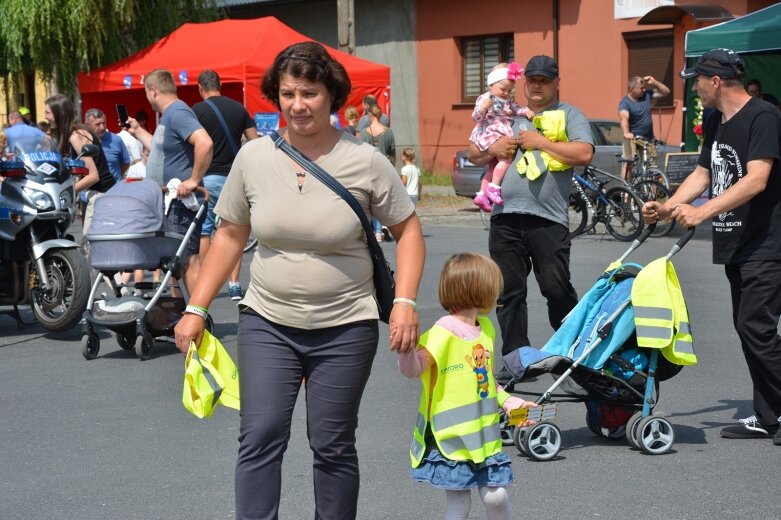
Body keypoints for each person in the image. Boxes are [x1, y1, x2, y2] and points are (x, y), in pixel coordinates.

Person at [173, 41, 426, 519]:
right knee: (260, 434)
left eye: (309, 93)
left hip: (346, 325)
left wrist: (405, 301)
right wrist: (195, 308)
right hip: (268, 320)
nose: (297, 104)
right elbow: (229, 234)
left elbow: (408, 229)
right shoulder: (253, 158)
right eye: (288, 93)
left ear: (332, 96)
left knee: (332, 442)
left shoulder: (366, 161)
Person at [643, 48, 781, 445]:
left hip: (768, 244)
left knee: (757, 327)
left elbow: (757, 180)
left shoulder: (764, 116)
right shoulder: (718, 119)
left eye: (696, 81)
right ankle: (770, 417)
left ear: (715, 81)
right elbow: (704, 173)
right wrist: (668, 207)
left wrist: (703, 214)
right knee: (750, 328)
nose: (694, 89)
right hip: (738, 241)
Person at [467, 55, 594, 383]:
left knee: (555, 288)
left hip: (548, 220)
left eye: (544, 80)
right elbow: (474, 153)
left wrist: (541, 142)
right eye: (532, 79)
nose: (537, 85)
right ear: (525, 82)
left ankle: (575, 356)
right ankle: (516, 360)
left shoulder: (569, 114)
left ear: (555, 82)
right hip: (505, 217)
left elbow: (583, 153)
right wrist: (494, 147)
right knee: (508, 293)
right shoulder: (506, 112)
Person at [398, 252, 536, 520]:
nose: (498, 293)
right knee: (459, 505)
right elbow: (413, 370)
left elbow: (485, 380)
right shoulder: (442, 332)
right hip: (453, 441)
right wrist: (405, 350)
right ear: (479, 291)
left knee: (496, 497)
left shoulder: (485, 328)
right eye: (495, 287)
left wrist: (510, 402)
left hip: (484, 440)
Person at [126, 69, 213, 295]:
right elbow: (160, 147)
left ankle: (197, 318)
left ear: (153, 90)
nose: (146, 97)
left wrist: (193, 180)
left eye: (146, 91)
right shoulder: (170, 115)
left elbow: (204, 143)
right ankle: (181, 315)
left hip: (180, 200)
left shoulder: (177, 112)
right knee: (175, 261)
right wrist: (137, 131)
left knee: (188, 260)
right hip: (170, 200)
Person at [192, 69, 259, 301]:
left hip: (207, 179)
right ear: (220, 85)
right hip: (234, 178)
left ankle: (203, 279)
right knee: (234, 229)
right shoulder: (238, 109)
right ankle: (233, 284)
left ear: (201, 88)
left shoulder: (197, 111)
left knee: (205, 230)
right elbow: (255, 142)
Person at [44, 95, 116, 235]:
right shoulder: (74, 133)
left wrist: (65, 192)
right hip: (94, 194)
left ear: (61, 113)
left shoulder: (75, 136)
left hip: (101, 194)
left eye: (48, 112)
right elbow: (79, 170)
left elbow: (93, 176)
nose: (45, 116)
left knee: (89, 243)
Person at [470, 62, 533, 212]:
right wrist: (483, 108)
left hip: (499, 132)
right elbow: (476, 118)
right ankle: (494, 187)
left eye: (509, 90)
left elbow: (516, 109)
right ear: (491, 85)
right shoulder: (485, 98)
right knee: (506, 159)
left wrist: (526, 111)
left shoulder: (507, 100)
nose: (506, 93)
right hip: (491, 133)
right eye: (503, 89)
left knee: (492, 167)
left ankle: (482, 194)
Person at [618, 75, 670, 180]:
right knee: (628, 162)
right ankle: (626, 191)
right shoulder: (625, 103)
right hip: (631, 138)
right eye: (641, 88)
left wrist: (654, 82)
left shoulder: (646, 95)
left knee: (652, 168)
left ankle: (652, 195)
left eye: (644, 88)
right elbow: (624, 119)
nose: (644, 90)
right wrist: (626, 133)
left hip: (648, 139)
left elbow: (666, 92)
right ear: (633, 88)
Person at [362, 103, 397, 241]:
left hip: (368, 169)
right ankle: (380, 229)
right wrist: (392, 168)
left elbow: (361, 152)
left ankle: (371, 230)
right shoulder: (388, 132)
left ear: (370, 115)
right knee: (382, 201)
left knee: (369, 200)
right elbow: (392, 152)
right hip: (385, 168)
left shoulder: (365, 132)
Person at [85, 108, 130, 182]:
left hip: (114, 189)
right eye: (97, 124)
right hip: (91, 190)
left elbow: (125, 163)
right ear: (88, 125)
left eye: (104, 123)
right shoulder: (82, 141)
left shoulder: (116, 140)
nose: (102, 127)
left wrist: (115, 177)